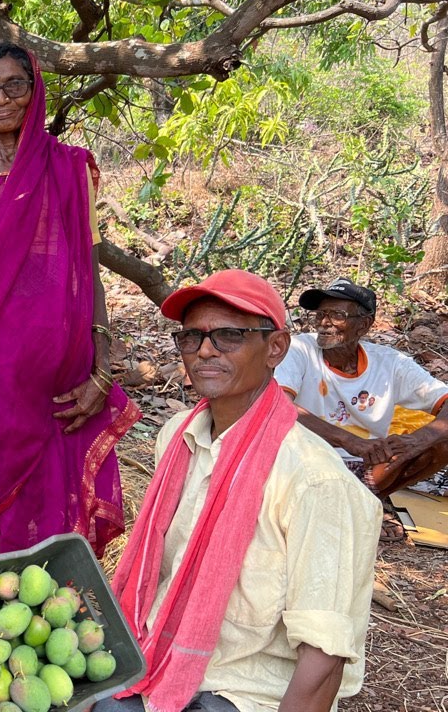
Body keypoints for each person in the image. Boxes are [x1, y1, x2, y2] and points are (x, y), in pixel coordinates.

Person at [101, 270, 380, 712]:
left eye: (229, 335)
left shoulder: (314, 480)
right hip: (154, 653)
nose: (205, 350)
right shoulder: (178, 436)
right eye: (191, 337)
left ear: (276, 348)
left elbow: (324, 658)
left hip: (242, 691)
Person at [0, 41, 139, 559]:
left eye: (14, 85)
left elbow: (89, 272)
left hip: (56, 381)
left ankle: (56, 591)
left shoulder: (70, 169)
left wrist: (102, 368)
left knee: (53, 505)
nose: (2, 100)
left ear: (35, 92)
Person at [274, 277, 448, 496]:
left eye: (337, 315)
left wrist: (418, 439)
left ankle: (369, 501)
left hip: (368, 466)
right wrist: (349, 441)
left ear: (363, 325)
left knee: (441, 444)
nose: (324, 322)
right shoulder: (299, 349)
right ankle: (351, 502)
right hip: (306, 461)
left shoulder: (391, 364)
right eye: (320, 314)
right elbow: (279, 406)